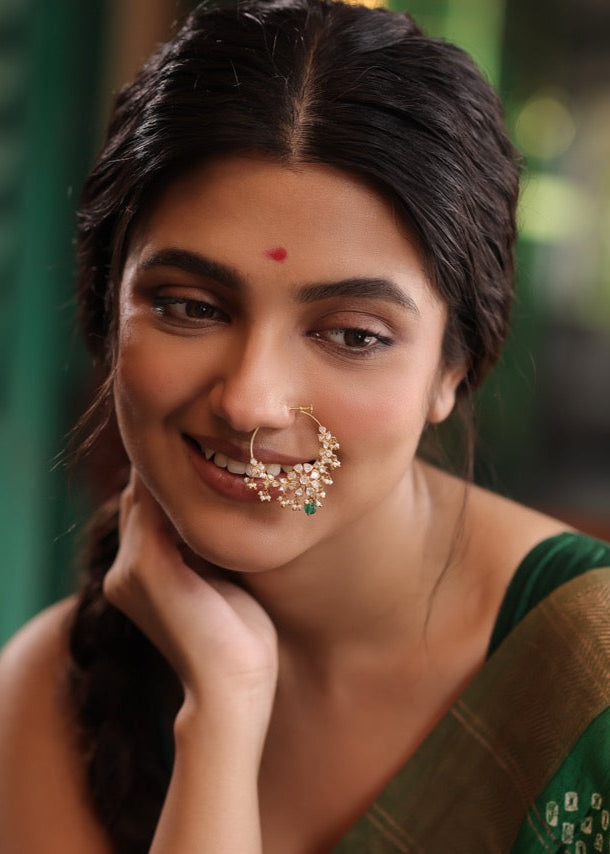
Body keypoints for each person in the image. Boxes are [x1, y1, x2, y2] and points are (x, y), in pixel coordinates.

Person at [0, 1, 609, 851]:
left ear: (454, 370)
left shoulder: (594, 677)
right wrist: (222, 709)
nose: (250, 402)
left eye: (352, 335)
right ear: (107, 313)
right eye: (191, 306)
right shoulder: (51, 693)